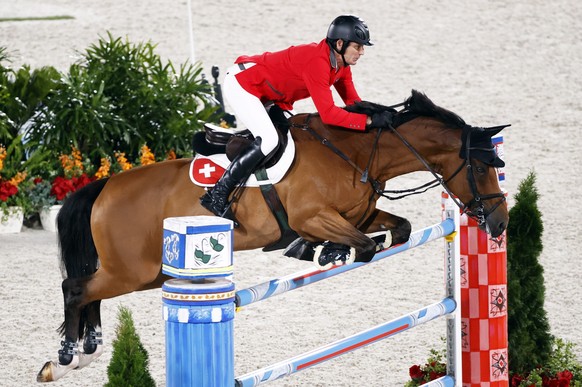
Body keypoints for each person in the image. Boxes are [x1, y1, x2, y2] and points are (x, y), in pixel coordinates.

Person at [200, 15, 393, 218]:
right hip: (244, 85)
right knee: (269, 140)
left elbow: (353, 103)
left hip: (272, 96)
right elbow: (328, 115)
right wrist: (368, 122)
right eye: (358, 46)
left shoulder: (341, 66)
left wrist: (380, 114)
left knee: (298, 135)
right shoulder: (317, 62)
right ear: (339, 44)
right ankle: (217, 195)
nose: (362, 52)